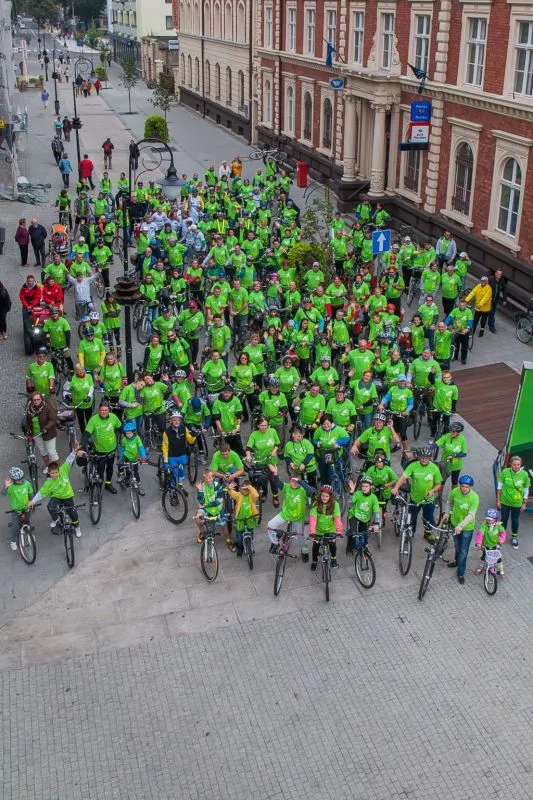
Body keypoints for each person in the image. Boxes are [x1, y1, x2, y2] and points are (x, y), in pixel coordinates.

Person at [29, 446, 83, 538]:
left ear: (59, 470)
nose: (54, 475)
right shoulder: (48, 482)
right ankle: (55, 518)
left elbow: (69, 460)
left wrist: (74, 451)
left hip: (68, 496)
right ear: (49, 473)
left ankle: (77, 528)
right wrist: (32, 501)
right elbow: (41, 493)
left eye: (56, 472)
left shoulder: (63, 469)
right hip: (57, 497)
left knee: (73, 513)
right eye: (52, 473)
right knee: (50, 507)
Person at [392, 447, 443, 538]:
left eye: (426, 458)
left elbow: (438, 484)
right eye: (422, 458)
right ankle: (411, 533)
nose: (424, 460)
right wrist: (396, 488)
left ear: (429, 458)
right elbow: (403, 477)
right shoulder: (413, 466)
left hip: (428, 500)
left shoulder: (434, 468)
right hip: (415, 498)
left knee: (428, 519)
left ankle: (427, 534)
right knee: (412, 518)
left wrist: (432, 490)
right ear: (419, 457)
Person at [266, 464, 314, 558]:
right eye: (292, 481)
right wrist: (275, 473)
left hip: (298, 518)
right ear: (289, 481)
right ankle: (275, 543)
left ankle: (304, 551)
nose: (294, 483)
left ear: (300, 482)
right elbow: (278, 483)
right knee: (270, 525)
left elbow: (311, 492)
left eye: (296, 481)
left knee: (300, 537)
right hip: (285, 514)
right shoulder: (287, 487)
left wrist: (301, 482)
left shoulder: (304, 490)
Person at [80, 401, 123, 493]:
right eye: (102, 410)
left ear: (109, 410)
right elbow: (86, 434)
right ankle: (98, 486)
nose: (104, 412)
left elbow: (121, 428)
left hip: (112, 449)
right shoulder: (93, 420)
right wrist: (82, 447)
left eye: (106, 410)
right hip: (99, 450)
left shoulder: (113, 417)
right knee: (100, 470)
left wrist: (130, 436)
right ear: (99, 410)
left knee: (110, 468)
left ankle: (108, 484)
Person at [444, 474, 479, 585]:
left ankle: (461, 572)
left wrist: (461, 526)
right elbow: (449, 502)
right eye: (462, 486)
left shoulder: (474, 497)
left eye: (467, 487)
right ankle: (457, 561)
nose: (464, 489)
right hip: (454, 524)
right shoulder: (454, 492)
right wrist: (446, 514)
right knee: (457, 545)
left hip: (467, 528)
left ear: (470, 487)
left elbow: (471, 514)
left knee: (464, 551)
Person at [496, 455, 530, 549]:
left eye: (518, 464)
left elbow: (526, 489)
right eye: (514, 464)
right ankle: (501, 537)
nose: (516, 466)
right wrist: (498, 500)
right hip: (505, 501)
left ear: (520, 464)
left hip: (517, 503)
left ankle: (514, 537)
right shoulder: (505, 472)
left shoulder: (524, 474)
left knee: (515, 520)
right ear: (510, 464)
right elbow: (499, 487)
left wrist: (524, 503)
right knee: (504, 519)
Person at [308, 485, 343, 571]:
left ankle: (333, 559)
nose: (324, 498)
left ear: (330, 496)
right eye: (323, 496)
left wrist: (339, 531)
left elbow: (337, 518)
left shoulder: (335, 504)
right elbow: (313, 519)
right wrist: (312, 532)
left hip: (330, 529)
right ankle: (314, 561)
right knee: (315, 546)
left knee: (332, 544)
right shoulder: (315, 504)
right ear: (320, 495)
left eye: (327, 496)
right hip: (318, 530)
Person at [194, 469, 232, 549]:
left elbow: (219, 500)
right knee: (197, 518)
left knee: (224, 525)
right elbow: (200, 501)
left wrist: (207, 504)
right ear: (204, 478)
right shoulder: (202, 486)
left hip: (217, 509)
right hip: (206, 509)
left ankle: (228, 541)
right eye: (206, 478)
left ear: (213, 477)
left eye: (210, 478)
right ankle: (202, 533)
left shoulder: (218, 485)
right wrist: (200, 490)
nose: (208, 480)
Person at [346, 475, 381, 555]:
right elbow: (349, 504)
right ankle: (349, 547)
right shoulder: (357, 494)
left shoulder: (373, 497)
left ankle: (365, 547)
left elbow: (376, 511)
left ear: (371, 487)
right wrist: (351, 492)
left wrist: (376, 523)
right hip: (354, 516)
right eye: (362, 486)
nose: (364, 488)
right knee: (353, 533)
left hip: (365, 518)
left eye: (366, 486)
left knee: (364, 534)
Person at [25, 392, 59, 474]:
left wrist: (46, 427)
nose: (36, 401)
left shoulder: (47, 407)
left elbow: (53, 419)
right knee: (43, 451)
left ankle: (57, 469)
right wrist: (28, 428)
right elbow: (27, 420)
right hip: (36, 434)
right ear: (31, 400)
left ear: (41, 399)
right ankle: (48, 466)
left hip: (48, 434)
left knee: (51, 452)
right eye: (34, 400)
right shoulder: (30, 408)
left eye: (38, 399)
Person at [226, 478, 260, 557]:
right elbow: (232, 493)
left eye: (247, 489)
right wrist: (229, 489)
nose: (245, 490)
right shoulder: (239, 495)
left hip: (250, 518)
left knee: (250, 532)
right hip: (240, 519)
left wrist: (250, 487)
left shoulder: (252, 496)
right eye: (243, 488)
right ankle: (240, 547)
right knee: (239, 535)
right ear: (240, 488)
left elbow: (257, 495)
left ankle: (249, 544)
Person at [3, 467, 34, 551]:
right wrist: (5, 487)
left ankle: (29, 533)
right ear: (13, 480)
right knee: (15, 527)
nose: (20, 481)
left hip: (26, 507)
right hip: (16, 510)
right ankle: (13, 541)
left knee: (27, 521)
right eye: (17, 480)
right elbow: (3, 494)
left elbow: (31, 493)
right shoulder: (11, 486)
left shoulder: (27, 483)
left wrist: (32, 502)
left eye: (21, 479)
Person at [161, 411, 189, 491]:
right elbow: (165, 447)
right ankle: (173, 487)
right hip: (172, 456)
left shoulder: (184, 429)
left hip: (182, 454)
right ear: (171, 421)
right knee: (174, 473)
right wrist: (165, 461)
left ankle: (180, 486)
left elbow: (190, 440)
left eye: (178, 420)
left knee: (181, 471)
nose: (177, 422)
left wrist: (194, 435)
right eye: (174, 420)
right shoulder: (167, 432)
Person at [117, 422, 147, 495]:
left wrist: (143, 457)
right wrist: (120, 456)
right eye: (127, 433)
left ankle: (138, 485)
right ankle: (121, 475)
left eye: (130, 433)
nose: (128, 435)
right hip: (126, 456)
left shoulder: (137, 438)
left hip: (135, 458)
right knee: (120, 464)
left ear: (134, 432)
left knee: (135, 472)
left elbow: (141, 448)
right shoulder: (124, 440)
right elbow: (122, 449)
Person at [474, 508, 506, 577]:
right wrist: (479, 543)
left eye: (490, 520)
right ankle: (481, 567)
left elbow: (503, 533)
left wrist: (501, 540)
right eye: (487, 519)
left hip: (495, 545)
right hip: (485, 545)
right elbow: (480, 534)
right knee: (484, 557)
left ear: (495, 519)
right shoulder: (484, 525)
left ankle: (501, 569)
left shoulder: (498, 525)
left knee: (498, 558)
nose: (488, 521)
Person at [487, 269, 508, 334]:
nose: (499, 275)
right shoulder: (490, 279)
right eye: (498, 273)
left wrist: (504, 299)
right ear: (495, 273)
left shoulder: (502, 281)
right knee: (491, 312)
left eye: (500, 274)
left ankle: (490, 324)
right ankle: (491, 326)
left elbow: (504, 290)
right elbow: (485, 287)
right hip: (489, 299)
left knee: (492, 312)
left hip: (496, 299)